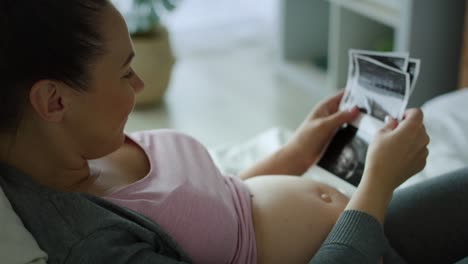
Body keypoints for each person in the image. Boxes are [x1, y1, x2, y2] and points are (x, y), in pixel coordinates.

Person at [1, 1, 467, 263]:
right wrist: (378, 183)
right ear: (54, 102)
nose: (140, 85)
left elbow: (216, 205)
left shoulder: (83, 149)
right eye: (126, 74)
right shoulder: (95, 244)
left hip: (367, 230)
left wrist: (300, 150)